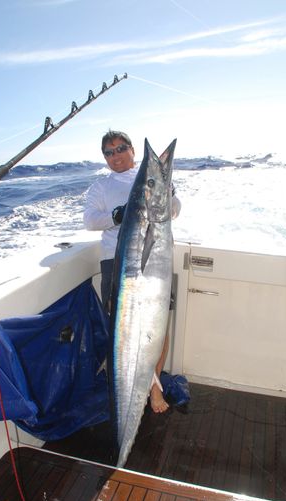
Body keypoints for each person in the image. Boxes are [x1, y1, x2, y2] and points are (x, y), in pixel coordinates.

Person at [83, 130, 181, 413]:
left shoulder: (152, 180)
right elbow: (90, 221)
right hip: (116, 264)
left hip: (155, 264)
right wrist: (116, 215)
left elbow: (173, 210)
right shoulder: (100, 187)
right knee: (121, 331)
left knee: (158, 327)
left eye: (121, 148)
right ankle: (125, 390)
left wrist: (168, 192)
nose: (116, 156)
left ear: (132, 150)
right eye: (109, 152)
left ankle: (154, 388)